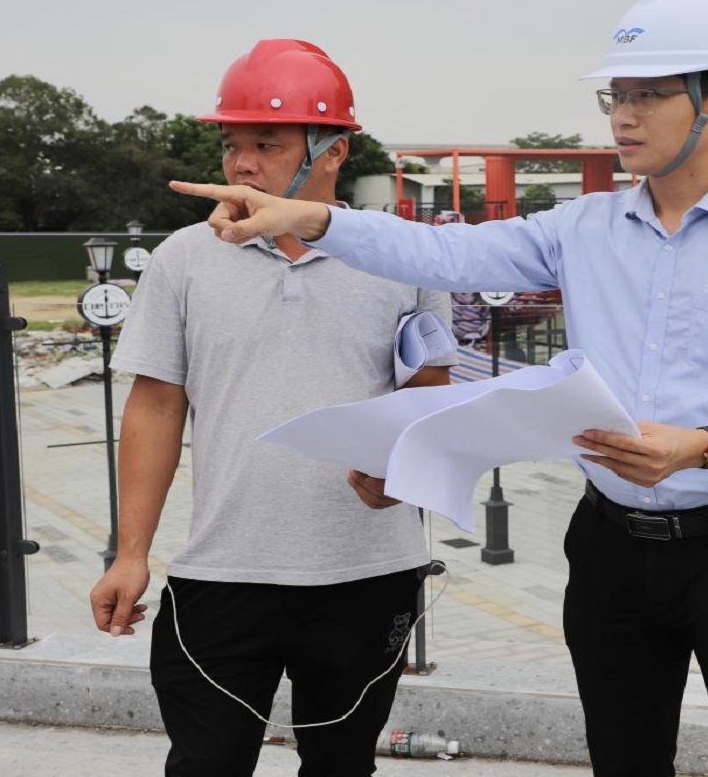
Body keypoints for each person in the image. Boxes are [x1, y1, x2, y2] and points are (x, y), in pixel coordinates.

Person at [174, 0, 708, 777]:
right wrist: (307, 218)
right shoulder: (581, 229)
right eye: (616, 96)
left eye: (648, 95)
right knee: (621, 757)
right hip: (611, 547)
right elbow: (443, 254)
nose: (622, 117)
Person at [88, 39, 456, 776]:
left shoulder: (401, 255)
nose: (242, 164)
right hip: (223, 571)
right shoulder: (183, 258)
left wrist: (403, 472)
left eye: (266, 144)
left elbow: (428, 395)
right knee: (206, 765)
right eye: (231, 144)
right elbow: (154, 409)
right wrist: (130, 554)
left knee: (342, 766)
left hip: (367, 573)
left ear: (332, 151)